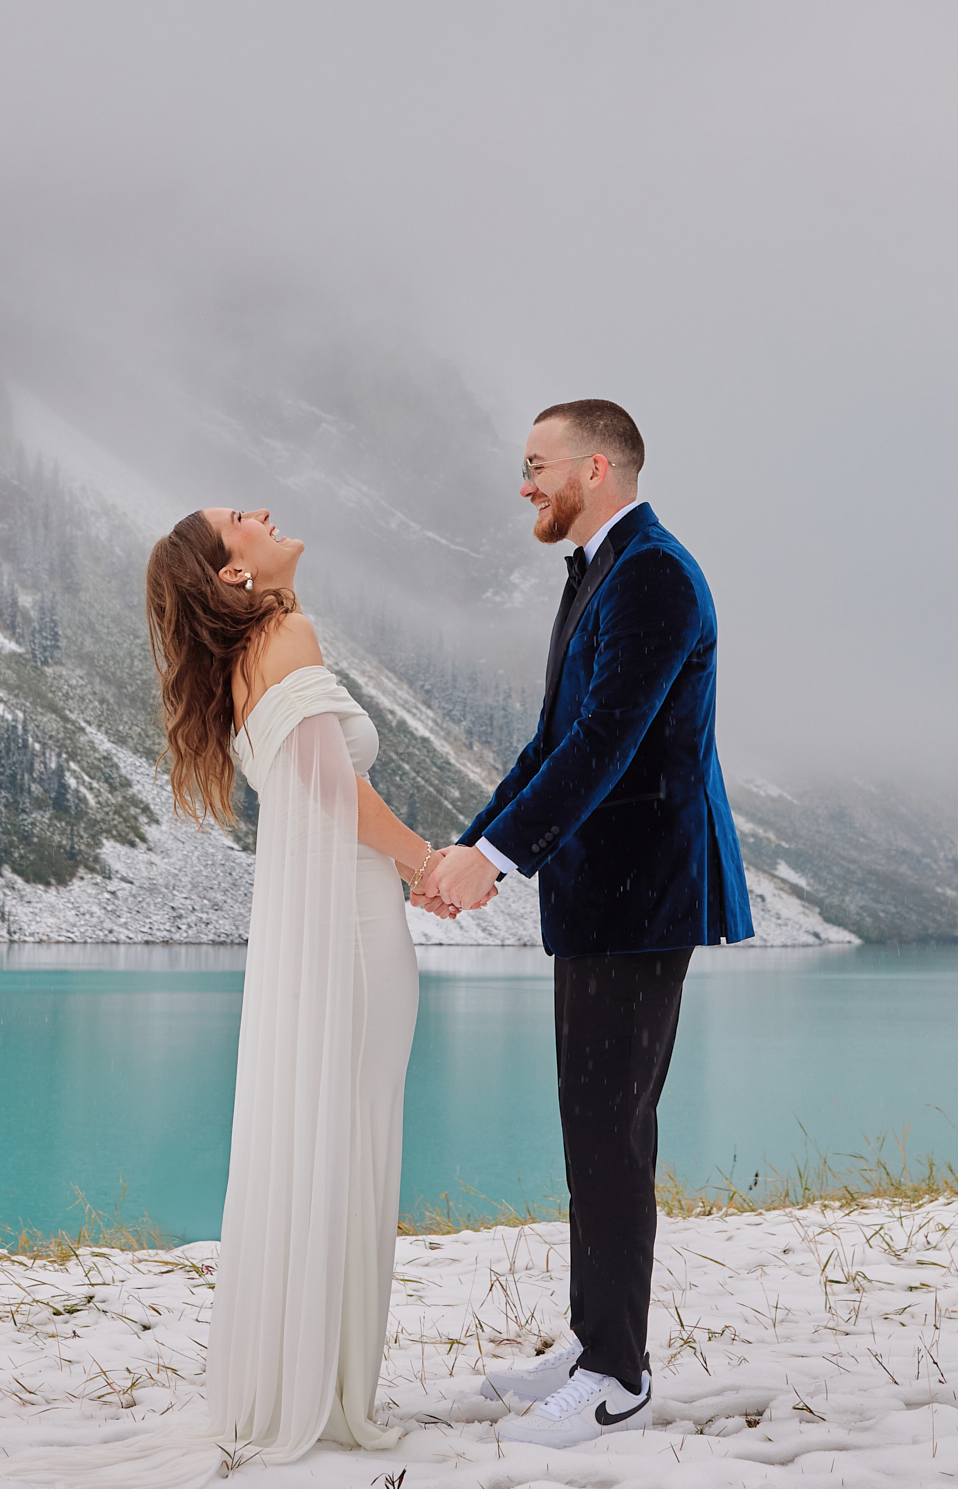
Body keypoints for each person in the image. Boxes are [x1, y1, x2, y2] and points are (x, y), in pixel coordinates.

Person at [0, 505, 469, 1485]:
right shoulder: (286, 635)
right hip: (355, 925)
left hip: (329, 923)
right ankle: (332, 1390)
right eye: (236, 521)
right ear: (234, 577)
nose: (258, 513)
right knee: (357, 1130)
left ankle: (313, 1375)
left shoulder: (254, 655)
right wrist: (430, 861)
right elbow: (336, 792)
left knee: (331, 1133)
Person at [420, 398, 754, 1449]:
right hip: (596, 899)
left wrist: (497, 857)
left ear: (595, 467)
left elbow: (607, 741)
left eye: (536, 464)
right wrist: (466, 849)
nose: (523, 483)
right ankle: (590, 1338)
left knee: (615, 1131)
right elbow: (549, 742)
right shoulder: (595, 571)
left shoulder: (651, 572)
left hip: (641, 895)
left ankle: (618, 1374)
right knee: (590, 1128)